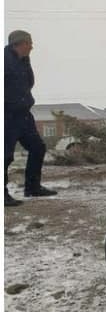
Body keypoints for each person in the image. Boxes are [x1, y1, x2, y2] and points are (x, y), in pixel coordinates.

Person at [5, 30, 57, 206]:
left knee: (38, 147)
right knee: (5, 156)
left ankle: (32, 188)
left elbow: (29, 83)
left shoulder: (23, 61)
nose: (32, 47)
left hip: (23, 115)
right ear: (19, 43)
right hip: (6, 116)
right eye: (29, 43)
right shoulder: (4, 60)